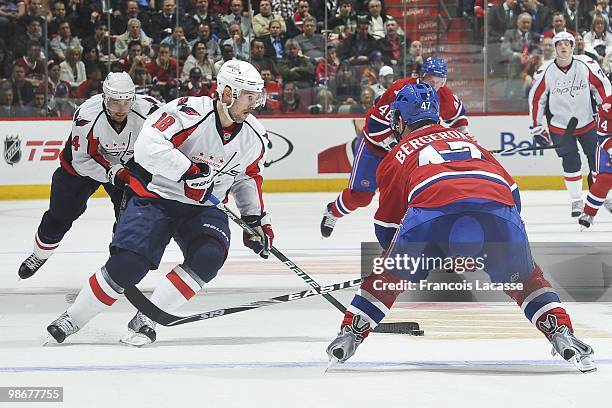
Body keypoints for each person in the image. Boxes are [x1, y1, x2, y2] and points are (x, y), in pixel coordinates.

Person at [326, 83, 597, 374]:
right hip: (499, 210)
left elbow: (387, 228)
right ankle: (561, 331)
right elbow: (512, 196)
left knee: (386, 278)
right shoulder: (472, 143)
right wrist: (490, 249)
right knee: (526, 278)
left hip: (432, 210)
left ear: (401, 120)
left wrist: (416, 260)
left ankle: (349, 335)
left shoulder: (398, 154)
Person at [45, 60, 273, 346]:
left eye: (258, 96)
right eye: (249, 96)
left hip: (203, 207)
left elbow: (248, 177)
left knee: (209, 256)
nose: (256, 104)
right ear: (227, 94)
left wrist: (255, 220)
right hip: (157, 197)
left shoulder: (255, 136)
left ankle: (147, 318)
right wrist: (188, 170)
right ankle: (73, 318)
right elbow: (148, 145)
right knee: (129, 264)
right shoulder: (187, 112)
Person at [17, 72, 161, 279]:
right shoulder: (87, 116)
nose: (121, 109)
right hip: (82, 170)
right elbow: (82, 160)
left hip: (125, 169)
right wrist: (113, 172)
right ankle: (39, 254)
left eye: (126, 102)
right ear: (104, 98)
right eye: (114, 102)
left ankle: (117, 265)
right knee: (60, 215)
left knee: (131, 218)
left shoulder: (151, 111)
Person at [320, 57, 469, 238]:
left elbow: (457, 118)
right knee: (360, 197)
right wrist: (396, 145)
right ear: (421, 76)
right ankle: (333, 211)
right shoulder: (401, 90)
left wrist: (464, 136)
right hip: (376, 149)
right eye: (431, 80)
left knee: (413, 194)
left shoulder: (443, 95)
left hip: (407, 154)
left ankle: (413, 236)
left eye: (440, 81)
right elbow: (373, 125)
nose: (435, 85)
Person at [528, 32, 611, 217]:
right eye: (560, 44)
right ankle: (576, 201)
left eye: (567, 44)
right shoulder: (546, 70)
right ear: (555, 48)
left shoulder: (586, 64)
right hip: (560, 126)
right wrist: (536, 126)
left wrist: (607, 112)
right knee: (571, 161)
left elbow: (602, 86)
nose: (564, 47)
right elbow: (536, 99)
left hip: (588, 123)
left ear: (573, 47)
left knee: (596, 161)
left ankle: (601, 197)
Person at [579, 95, 612, 228]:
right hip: (608, 144)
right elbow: (604, 135)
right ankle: (589, 213)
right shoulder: (608, 106)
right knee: (605, 178)